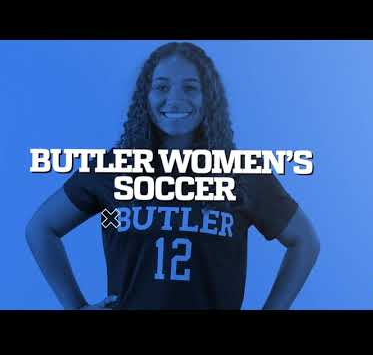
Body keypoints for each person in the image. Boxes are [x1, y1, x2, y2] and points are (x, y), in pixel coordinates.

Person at [25, 42, 320, 310]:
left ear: (209, 98)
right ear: (146, 96)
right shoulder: (112, 170)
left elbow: (304, 241)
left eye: (191, 87)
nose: (175, 99)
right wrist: (75, 306)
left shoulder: (242, 174)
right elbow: (41, 228)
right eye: (162, 87)